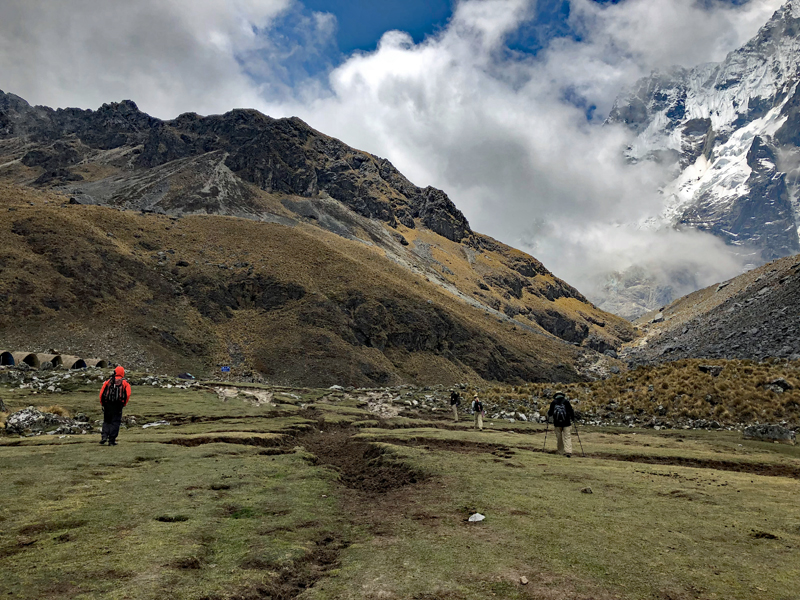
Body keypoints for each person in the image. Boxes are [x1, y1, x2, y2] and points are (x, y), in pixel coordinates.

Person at [99, 366, 131, 446]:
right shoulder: (124, 383)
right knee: (115, 422)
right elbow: (128, 394)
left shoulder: (109, 381)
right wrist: (124, 404)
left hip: (107, 404)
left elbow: (101, 393)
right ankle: (111, 440)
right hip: (118, 405)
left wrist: (103, 403)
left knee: (107, 421)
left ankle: (104, 436)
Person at [547, 391, 575, 457]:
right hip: (567, 423)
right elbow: (571, 411)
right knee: (567, 437)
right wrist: (573, 419)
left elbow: (550, 413)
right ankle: (568, 451)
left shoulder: (553, 402)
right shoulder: (566, 402)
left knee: (559, 438)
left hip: (557, 423)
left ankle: (560, 451)